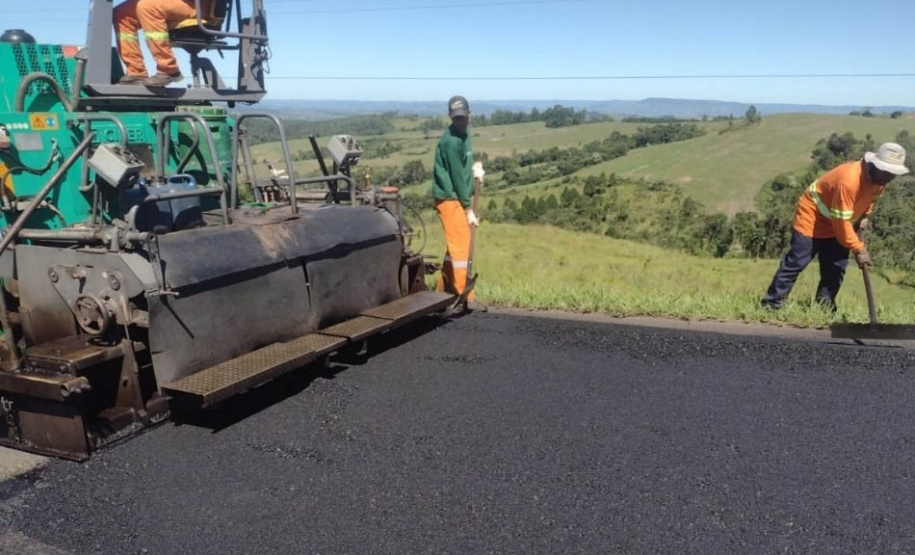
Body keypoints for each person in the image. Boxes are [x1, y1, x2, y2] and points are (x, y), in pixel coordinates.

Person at [761, 142, 909, 311]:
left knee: (836, 267)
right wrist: (859, 249)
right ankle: (771, 304)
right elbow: (841, 227)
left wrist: (864, 215)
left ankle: (824, 307)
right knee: (796, 262)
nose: (889, 176)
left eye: (893, 173)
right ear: (874, 164)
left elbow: (871, 198)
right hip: (813, 218)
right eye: (886, 171)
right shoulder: (849, 180)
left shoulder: (881, 179)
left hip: (840, 219)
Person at [432, 95, 486, 312]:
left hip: (458, 196)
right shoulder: (451, 141)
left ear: (469, 115)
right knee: (462, 247)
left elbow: (464, 167)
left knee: (453, 247)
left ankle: (442, 290)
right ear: (450, 118)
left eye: (463, 117)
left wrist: (475, 169)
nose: (460, 121)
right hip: (450, 198)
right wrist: (468, 208)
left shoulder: (464, 134)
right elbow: (455, 177)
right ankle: (467, 297)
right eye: (456, 119)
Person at [113, 0, 212, 87]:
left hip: (196, 4)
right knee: (121, 14)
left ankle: (169, 69)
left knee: (148, 7)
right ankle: (136, 72)